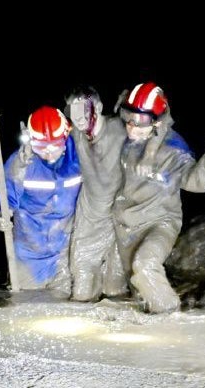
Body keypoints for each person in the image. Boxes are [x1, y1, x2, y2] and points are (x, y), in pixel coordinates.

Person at [113, 81, 205, 313]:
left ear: (157, 122)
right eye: (128, 117)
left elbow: (196, 183)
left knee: (145, 265)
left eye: (141, 122)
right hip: (125, 225)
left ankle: (173, 323)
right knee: (138, 291)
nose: (132, 127)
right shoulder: (124, 139)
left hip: (159, 222)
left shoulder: (173, 149)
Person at [0, 105, 82, 294]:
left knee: (66, 304)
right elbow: (3, 195)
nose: (48, 153)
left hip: (65, 251)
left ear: (65, 136)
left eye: (54, 146)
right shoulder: (21, 164)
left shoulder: (80, 158)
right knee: (25, 304)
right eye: (40, 147)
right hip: (29, 252)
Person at [64, 86, 129, 302]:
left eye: (83, 111)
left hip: (121, 217)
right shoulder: (75, 133)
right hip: (91, 216)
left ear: (98, 107)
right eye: (73, 112)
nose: (78, 119)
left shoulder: (121, 129)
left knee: (115, 288)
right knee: (82, 288)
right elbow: (48, 141)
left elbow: (156, 129)